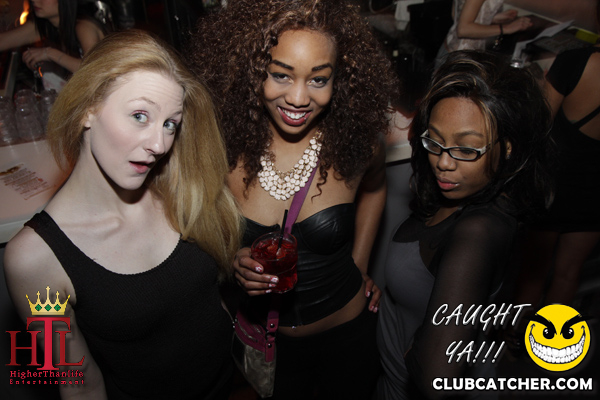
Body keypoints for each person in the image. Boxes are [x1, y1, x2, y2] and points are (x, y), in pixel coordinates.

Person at [4, 29, 242, 400]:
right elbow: (78, 385)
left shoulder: (179, 189)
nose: (159, 144)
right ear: (88, 108)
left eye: (170, 124)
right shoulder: (34, 260)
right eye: (139, 115)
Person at [189, 0, 398, 398]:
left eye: (318, 79)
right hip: (273, 349)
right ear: (252, 70)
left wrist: (359, 264)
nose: (299, 98)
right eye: (281, 75)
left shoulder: (354, 145)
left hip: (349, 338)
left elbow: (375, 187)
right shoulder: (222, 149)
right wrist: (231, 262)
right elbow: (198, 227)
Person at [376, 50, 554, 399]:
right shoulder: (460, 190)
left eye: (467, 149)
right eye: (435, 140)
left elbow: (437, 378)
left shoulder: (477, 231)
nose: (443, 162)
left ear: (507, 148)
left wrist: (419, 347)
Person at [513, 2, 600, 311]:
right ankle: (550, 341)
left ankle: (512, 335)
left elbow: (538, 124)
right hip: (595, 196)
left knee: (532, 273)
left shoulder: (574, 61)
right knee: (567, 274)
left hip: (553, 187)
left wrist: (539, 85)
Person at [0, 0, 110, 73]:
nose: (34, 0)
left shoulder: (84, 26)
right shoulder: (46, 24)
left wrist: (49, 53)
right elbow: (3, 41)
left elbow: (94, 70)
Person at [435, 0, 532, 67]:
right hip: (462, 57)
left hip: (451, 51)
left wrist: (490, 18)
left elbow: (455, 14)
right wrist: (507, 28)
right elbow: (463, 30)